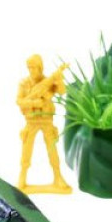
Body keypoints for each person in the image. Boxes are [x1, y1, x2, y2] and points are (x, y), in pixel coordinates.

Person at [16, 55, 70, 194]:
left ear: (40, 68)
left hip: (47, 120)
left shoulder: (48, 81)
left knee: (52, 149)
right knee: (26, 149)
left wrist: (59, 79)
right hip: (31, 121)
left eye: (34, 68)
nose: (31, 70)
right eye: (29, 68)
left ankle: (58, 177)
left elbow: (62, 92)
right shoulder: (24, 83)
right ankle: (22, 177)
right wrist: (34, 103)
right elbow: (19, 101)